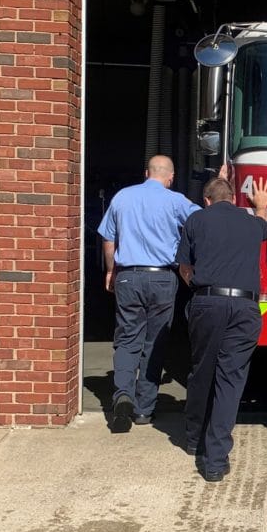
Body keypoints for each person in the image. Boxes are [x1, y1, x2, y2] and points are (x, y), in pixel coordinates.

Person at [176, 175, 267, 482]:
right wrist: (261, 205)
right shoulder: (251, 223)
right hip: (245, 307)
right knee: (230, 380)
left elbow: (185, 267)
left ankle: (194, 439)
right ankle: (216, 460)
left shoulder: (196, 220)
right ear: (233, 199)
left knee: (202, 371)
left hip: (207, 302)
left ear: (206, 200)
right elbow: (262, 225)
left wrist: (199, 289)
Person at [97, 155, 199, 433]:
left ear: (146, 173)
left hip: (128, 275)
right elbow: (203, 221)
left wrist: (111, 271)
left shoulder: (121, 198)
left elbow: (109, 238)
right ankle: (144, 409)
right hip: (163, 277)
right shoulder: (176, 200)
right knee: (154, 343)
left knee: (128, 338)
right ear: (170, 177)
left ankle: (122, 397)